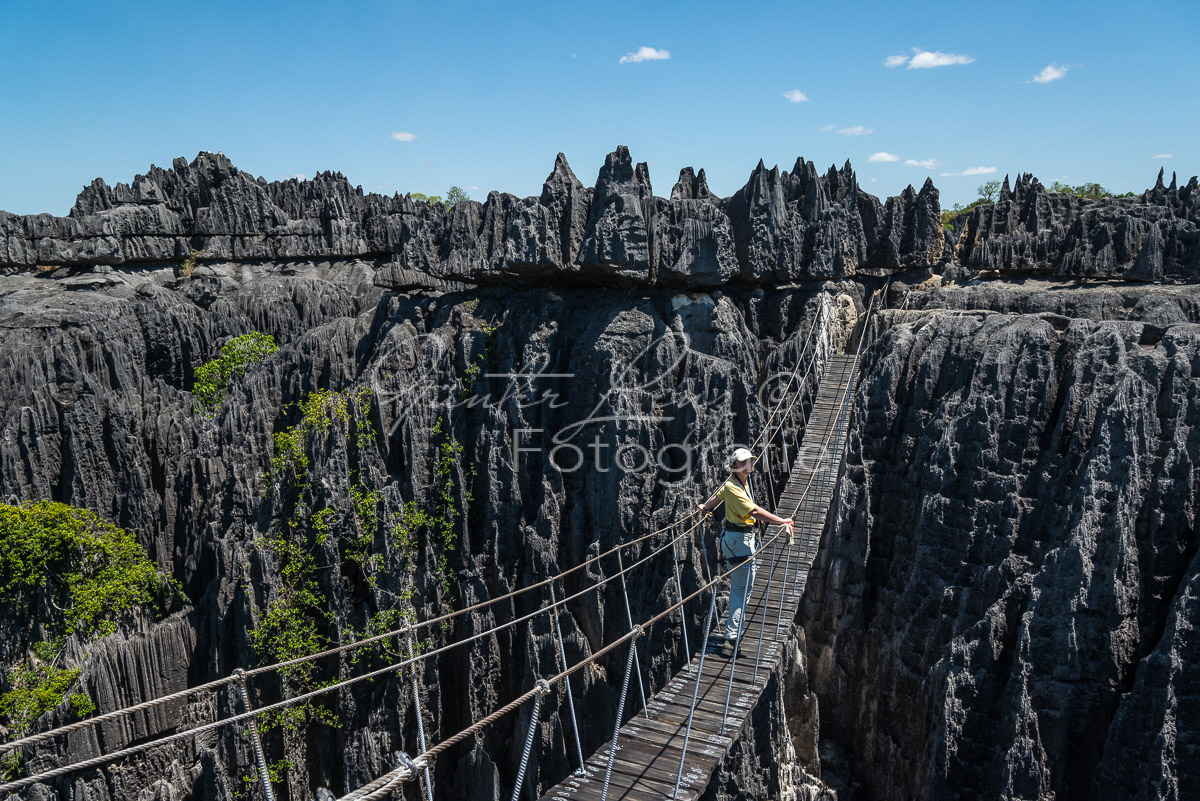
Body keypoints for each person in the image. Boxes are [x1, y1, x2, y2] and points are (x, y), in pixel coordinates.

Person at [697, 447, 794, 658]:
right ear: (734, 466)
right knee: (742, 591)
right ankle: (731, 640)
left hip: (741, 540)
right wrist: (782, 521)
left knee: (743, 588)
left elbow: (718, 497)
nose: (747, 465)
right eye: (742, 463)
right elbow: (754, 511)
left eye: (748, 461)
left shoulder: (738, 483)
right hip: (739, 542)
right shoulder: (734, 487)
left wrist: (706, 507)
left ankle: (732, 635)